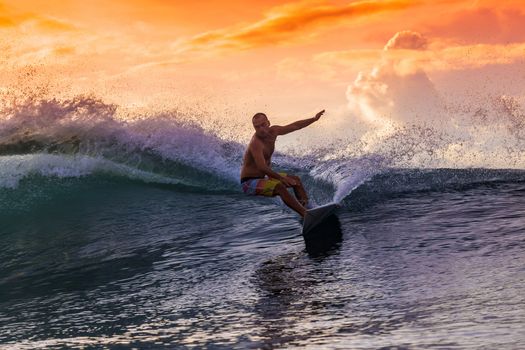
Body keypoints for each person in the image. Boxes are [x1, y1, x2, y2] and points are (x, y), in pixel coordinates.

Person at [240, 110, 325, 217]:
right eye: (257, 127)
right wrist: (281, 178)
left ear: (268, 123)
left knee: (296, 181)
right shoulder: (256, 143)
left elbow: (295, 126)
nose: (261, 129)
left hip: (263, 178)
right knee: (279, 186)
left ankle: (308, 208)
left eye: (263, 125)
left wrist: (313, 119)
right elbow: (262, 167)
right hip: (249, 183)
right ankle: (305, 214)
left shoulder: (274, 131)